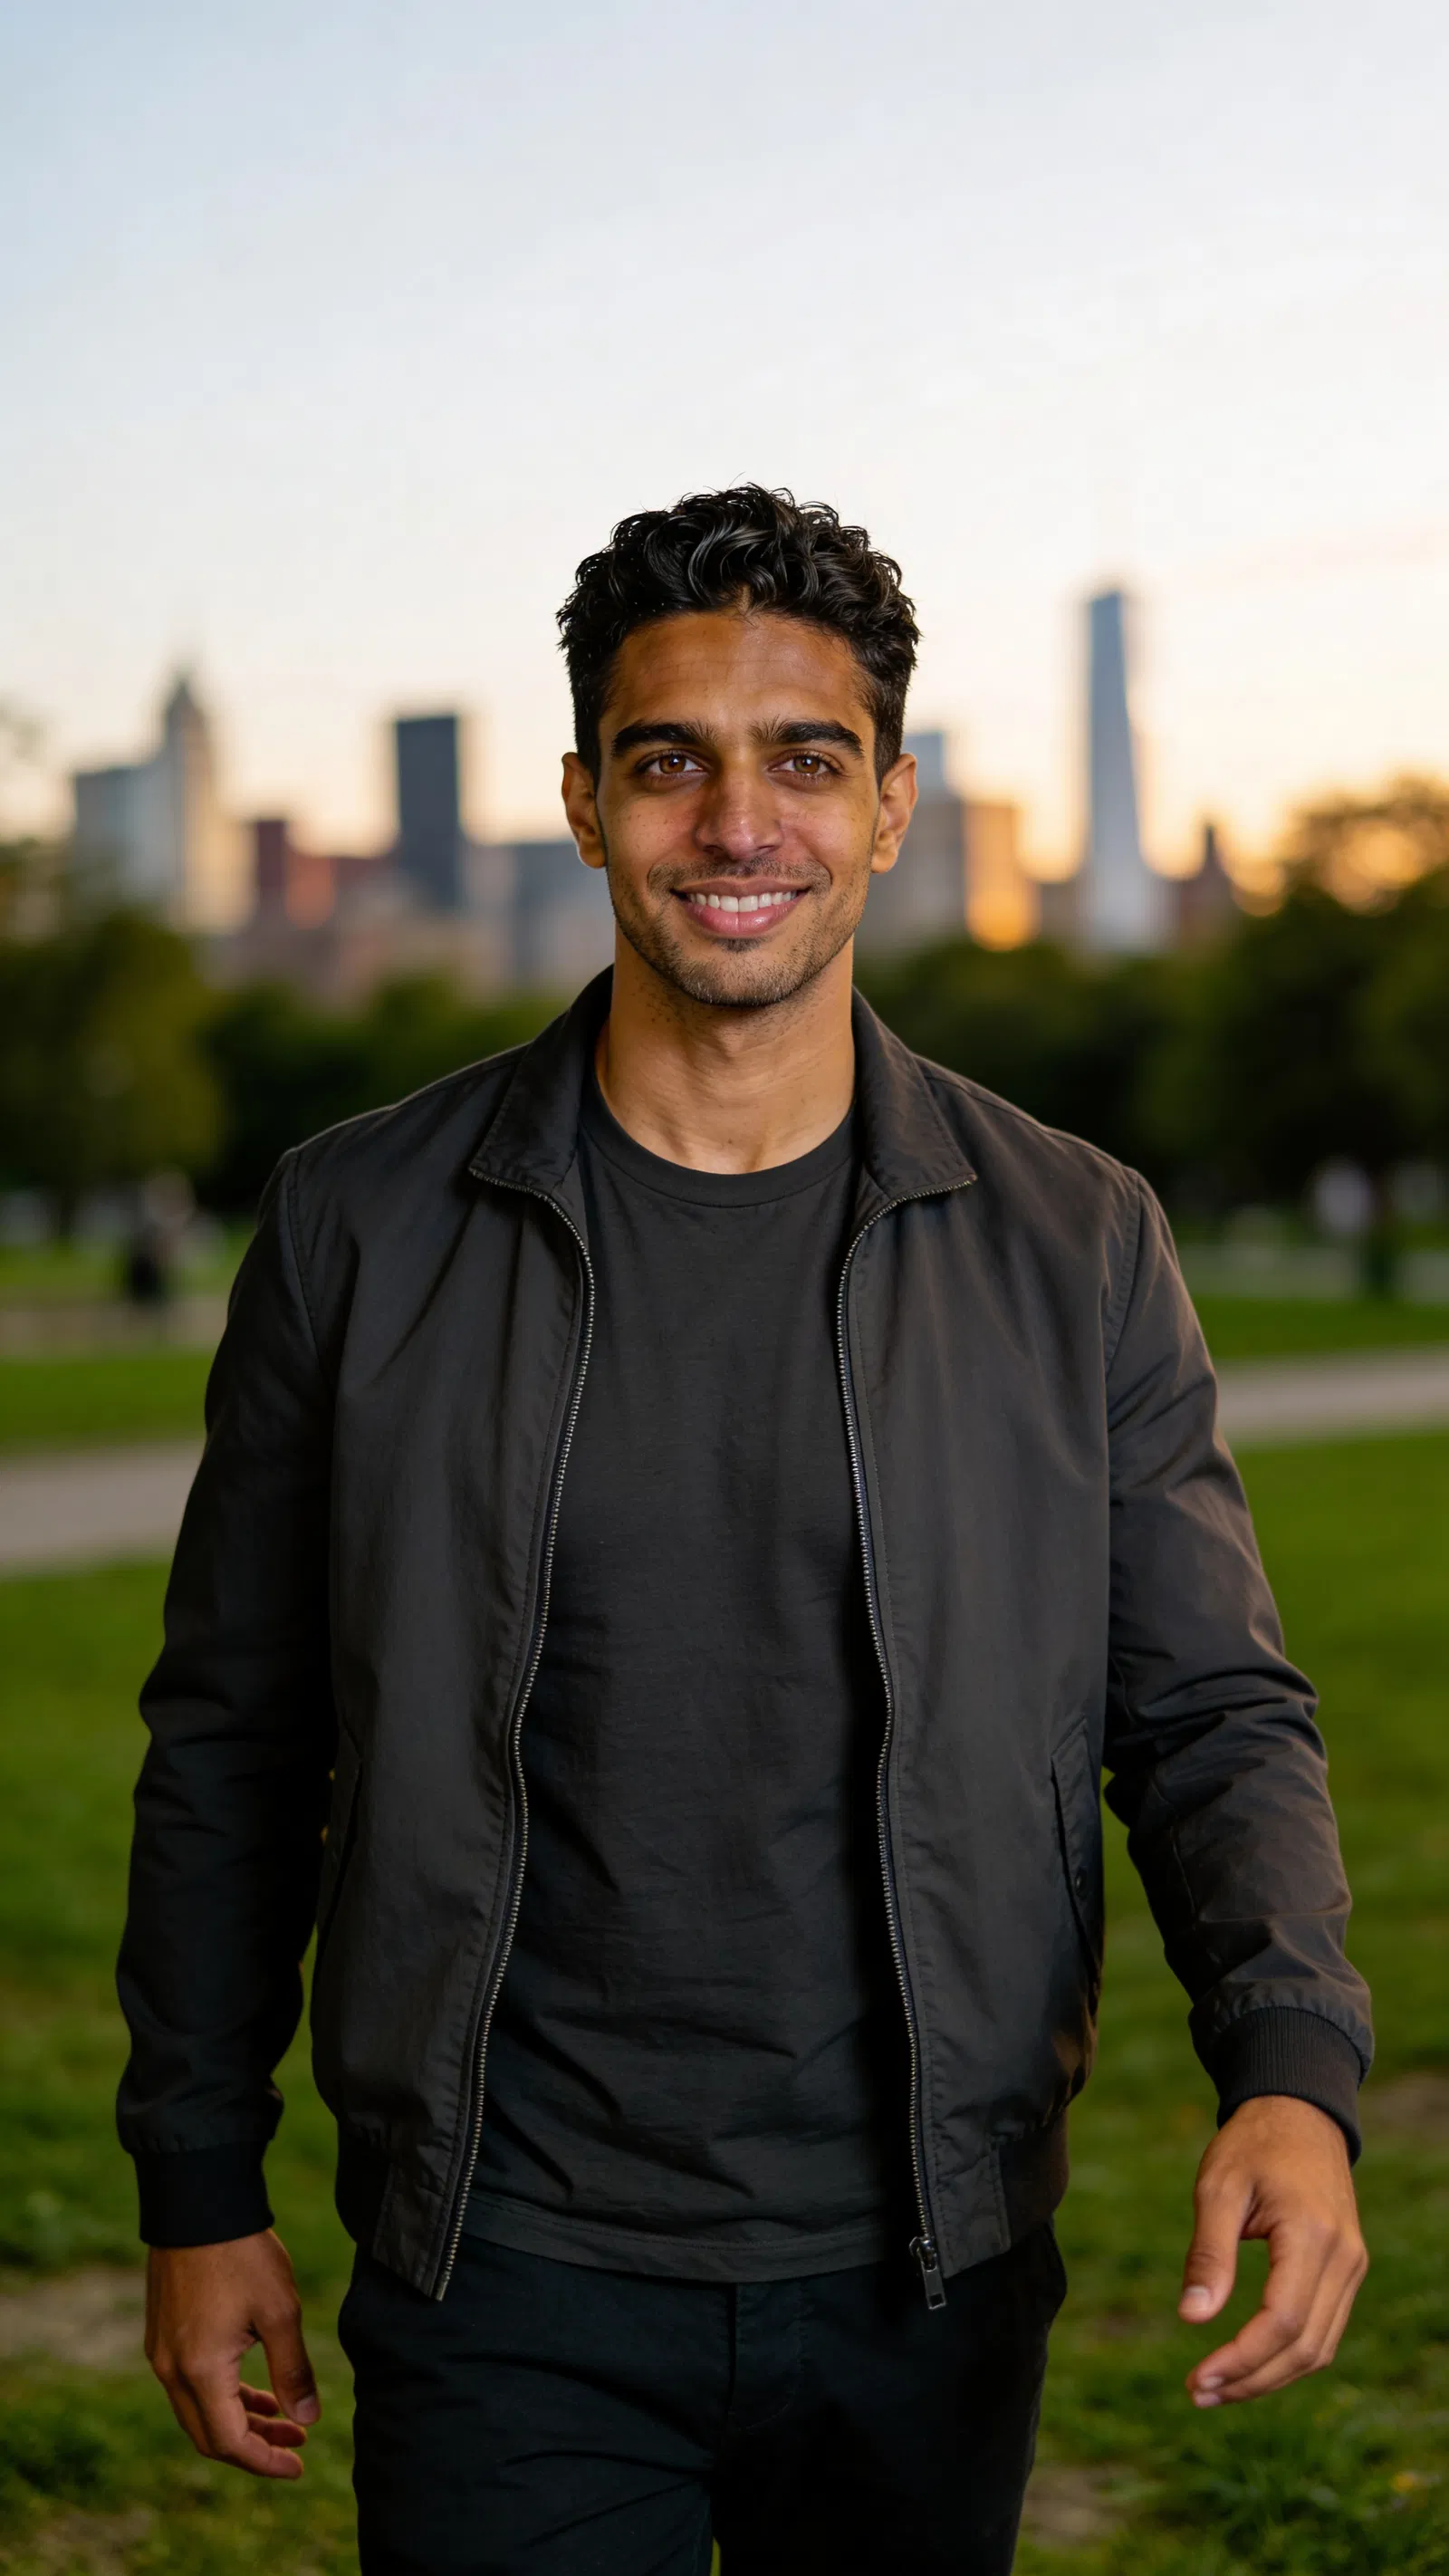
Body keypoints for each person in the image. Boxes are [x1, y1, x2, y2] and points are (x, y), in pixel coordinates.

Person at [120, 487, 1371, 2576]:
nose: (735, 823)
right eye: (665, 760)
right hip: (499, 2263)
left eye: (802, 759)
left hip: (929, 2265)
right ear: (580, 803)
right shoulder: (358, 1224)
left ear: (887, 807)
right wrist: (195, 2179)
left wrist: (1292, 2067)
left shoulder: (1072, 1240)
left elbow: (1208, 1713)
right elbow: (235, 1738)